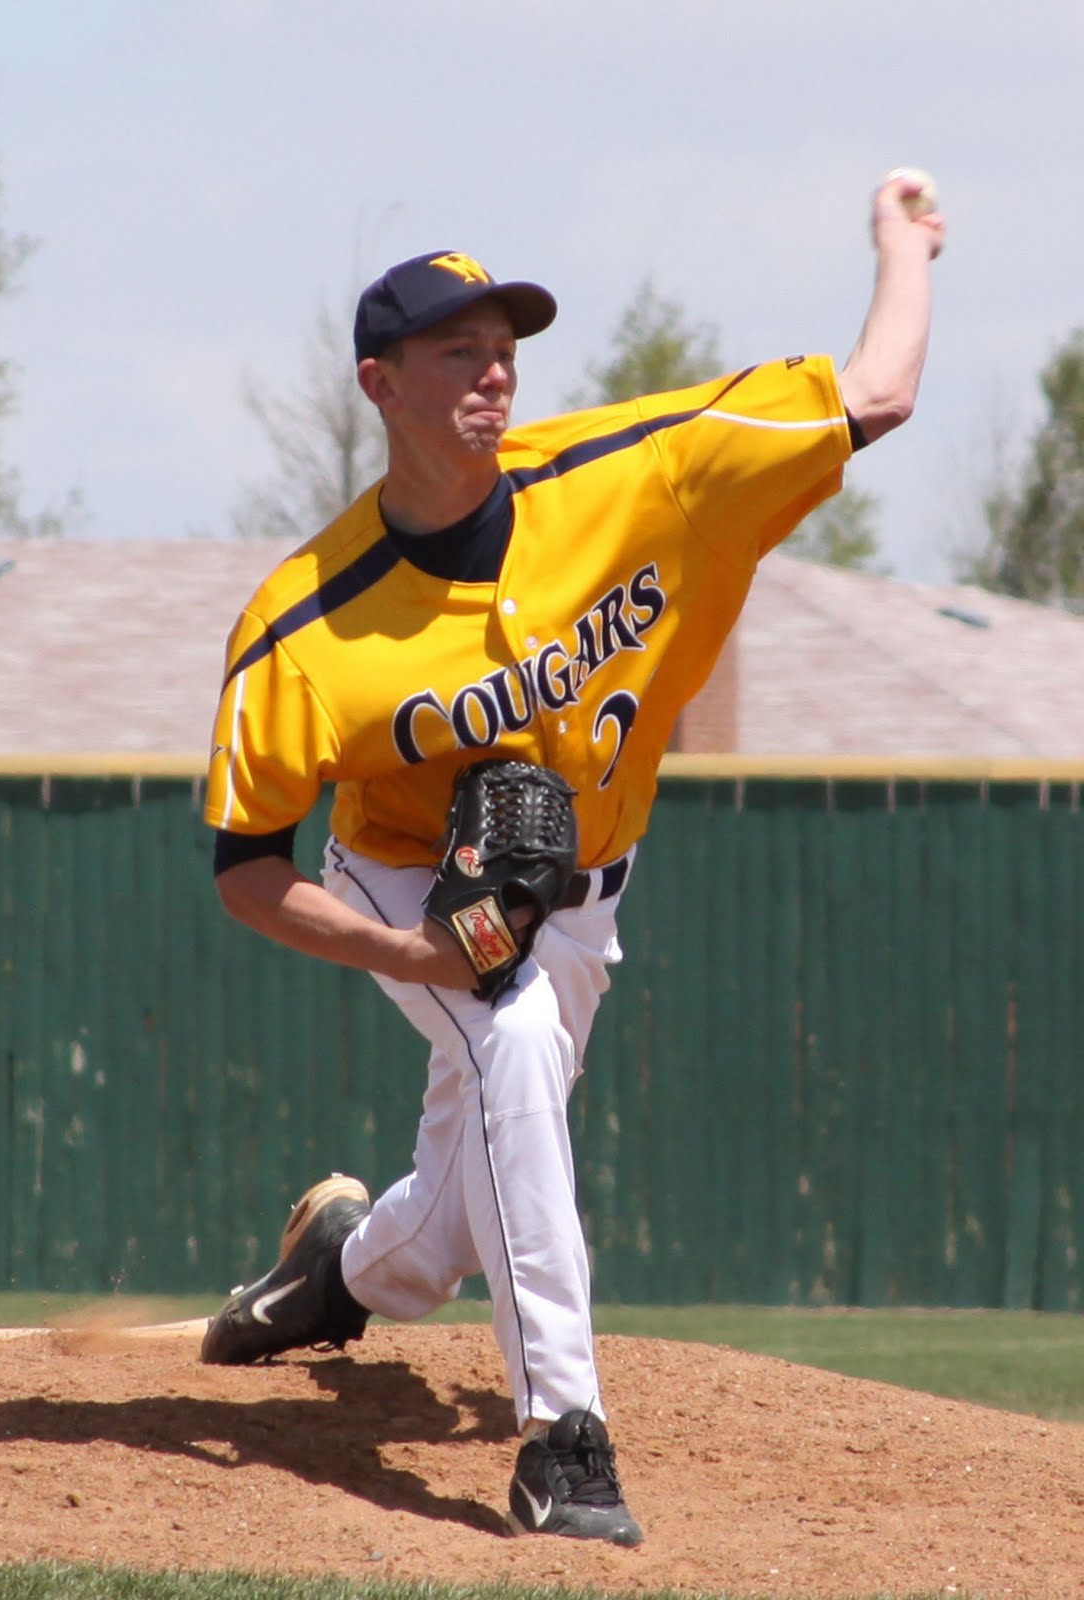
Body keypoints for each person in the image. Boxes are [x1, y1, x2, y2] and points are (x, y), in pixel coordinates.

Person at [199, 174, 945, 1546]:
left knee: (460, 1211)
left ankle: (343, 1270)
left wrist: (905, 248)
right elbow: (248, 866)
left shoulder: (637, 472)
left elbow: (876, 396)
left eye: (505, 347)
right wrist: (411, 947)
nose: (493, 372)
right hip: (403, 875)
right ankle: (565, 1437)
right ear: (379, 382)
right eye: (454, 350)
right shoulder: (305, 626)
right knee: (515, 1044)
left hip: (584, 885)